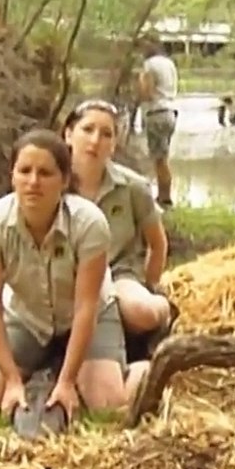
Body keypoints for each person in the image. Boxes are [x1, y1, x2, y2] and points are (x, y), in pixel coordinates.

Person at [0, 129, 135, 420]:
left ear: (64, 180)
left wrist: (66, 383)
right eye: (24, 171)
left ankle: (139, 366)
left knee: (108, 404)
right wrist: (12, 381)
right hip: (27, 318)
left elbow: (85, 307)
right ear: (12, 176)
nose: (33, 182)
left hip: (88, 317)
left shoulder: (89, 223)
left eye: (45, 173)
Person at [61, 98, 177, 359]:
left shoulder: (133, 186)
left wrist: (149, 285)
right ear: (68, 134)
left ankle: (166, 310)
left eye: (106, 134)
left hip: (118, 275)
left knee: (140, 312)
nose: (95, 141)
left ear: (114, 145)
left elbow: (157, 244)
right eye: (87, 130)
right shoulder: (51, 183)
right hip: (65, 278)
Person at [137, 36, 180, 208]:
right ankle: (164, 196)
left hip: (156, 112)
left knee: (159, 159)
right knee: (163, 156)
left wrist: (140, 83)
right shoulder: (169, 63)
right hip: (171, 111)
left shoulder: (149, 65)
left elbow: (146, 91)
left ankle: (165, 199)